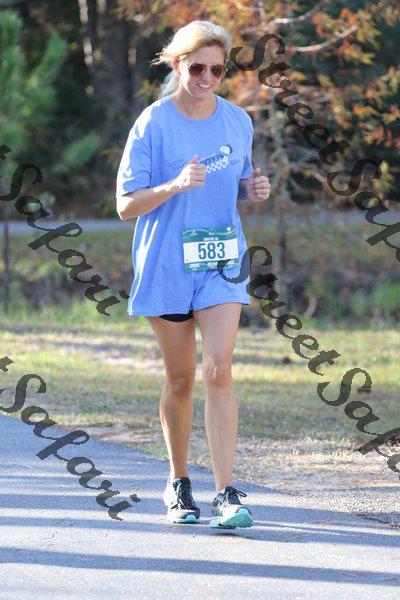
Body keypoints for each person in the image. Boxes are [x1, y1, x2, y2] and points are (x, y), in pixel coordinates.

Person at [116, 20, 270, 529]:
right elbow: (125, 205)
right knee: (181, 379)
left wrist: (254, 191)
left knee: (219, 370)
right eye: (198, 67)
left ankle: (226, 492)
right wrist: (175, 184)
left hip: (222, 261)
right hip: (167, 263)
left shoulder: (237, 121)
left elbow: (236, 186)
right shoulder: (153, 123)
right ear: (178, 64)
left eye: (217, 70)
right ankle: (179, 481)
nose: (207, 78)